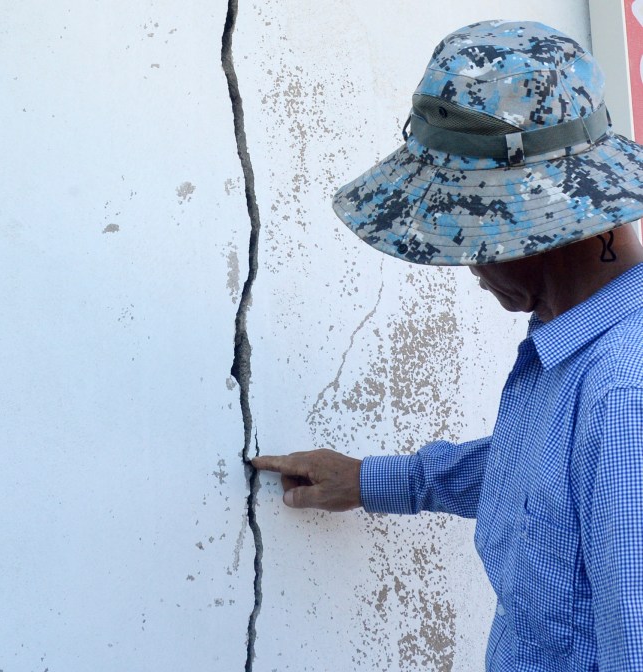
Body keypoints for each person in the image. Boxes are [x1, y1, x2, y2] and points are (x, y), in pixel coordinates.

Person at [251, 20, 643, 670]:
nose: (470, 267)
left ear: (546, 226)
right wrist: (377, 481)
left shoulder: (624, 392)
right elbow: (557, 482)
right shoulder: (584, 358)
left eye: (473, 239)